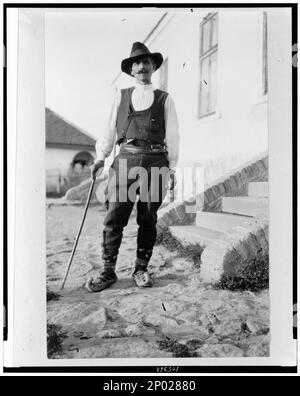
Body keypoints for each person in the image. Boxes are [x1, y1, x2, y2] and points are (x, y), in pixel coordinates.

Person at [85, 42, 179, 292]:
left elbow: (173, 136)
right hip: (125, 161)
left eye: (146, 62)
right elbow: (108, 129)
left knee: (148, 218)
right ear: (131, 69)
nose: (142, 67)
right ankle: (108, 271)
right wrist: (100, 157)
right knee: (115, 216)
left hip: (156, 163)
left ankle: (140, 269)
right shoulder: (121, 96)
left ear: (153, 67)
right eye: (137, 63)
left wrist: (171, 168)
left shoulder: (165, 99)